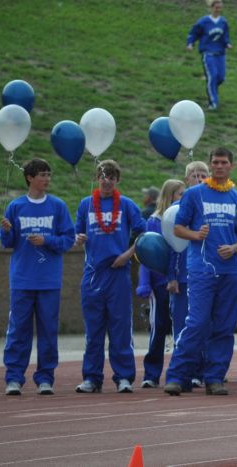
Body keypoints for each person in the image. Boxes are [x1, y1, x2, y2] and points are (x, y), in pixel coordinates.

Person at [164, 148, 237, 396]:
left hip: (230, 270)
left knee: (224, 325)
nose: (219, 166)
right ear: (210, 165)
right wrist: (195, 235)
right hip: (201, 270)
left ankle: (215, 378)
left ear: (231, 165)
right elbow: (177, 228)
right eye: (215, 162)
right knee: (197, 322)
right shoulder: (194, 195)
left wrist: (234, 248)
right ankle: (178, 376)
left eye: (223, 162)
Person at [0, 159, 75, 395]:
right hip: (22, 280)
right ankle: (14, 378)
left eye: (48, 174)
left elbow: (68, 239)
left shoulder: (57, 206)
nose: (47, 179)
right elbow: (7, 243)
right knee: (18, 331)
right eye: (42, 174)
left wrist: (47, 240)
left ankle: (45, 378)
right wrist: (6, 231)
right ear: (30, 178)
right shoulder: (15, 206)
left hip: (48, 281)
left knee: (48, 332)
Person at [75, 160, 146, 393]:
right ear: (97, 178)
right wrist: (78, 239)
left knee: (120, 327)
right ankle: (91, 378)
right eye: (103, 176)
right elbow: (76, 234)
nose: (107, 181)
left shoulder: (126, 205)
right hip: (94, 274)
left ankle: (123, 377)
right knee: (93, 329)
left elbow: (144, 234)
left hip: (118, 273)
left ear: (117, 180)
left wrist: (128, 254)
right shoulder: (86, 204)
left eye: (111, 177)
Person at [137, 179, 185, 389]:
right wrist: (145, 284)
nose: (183, 198)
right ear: (170, 195)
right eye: (179, 194)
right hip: (159, 285)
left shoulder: (185, 219)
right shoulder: (154, 221)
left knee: (182, 329)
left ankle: (182, 372)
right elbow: (148, 254)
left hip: (181, 282)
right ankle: (151, 373)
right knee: (158, 328)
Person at [168, 161, 209, 390]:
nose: (200, 179)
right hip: (184, 276)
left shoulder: (214, 200)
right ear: (187, 179)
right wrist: (171, 276)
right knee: (187, 325)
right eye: (195, 175)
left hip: (207, 273)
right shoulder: (182, 205)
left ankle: (203, 370)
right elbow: (173, 243)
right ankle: (182, 370)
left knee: (207, 326)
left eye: (204, 175)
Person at [186, 0, 232, 111]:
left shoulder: (223, 22)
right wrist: (190, 43)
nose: (218, 10)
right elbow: (194, 33)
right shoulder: (204, 22)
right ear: (211, 8)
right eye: (216, 8)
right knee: (212, 76)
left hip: (220, 54)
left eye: (220, 8)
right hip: (208, 54)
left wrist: (227, 43)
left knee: (220, 78)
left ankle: (212, 91)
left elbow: (225, 35)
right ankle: (213, 103)